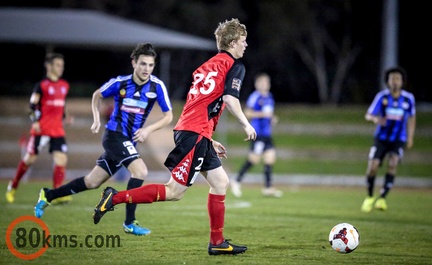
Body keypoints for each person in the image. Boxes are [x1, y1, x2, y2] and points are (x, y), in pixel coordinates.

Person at [92, 18, 256, 255]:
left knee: (220, 182)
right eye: (243, 41)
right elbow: (230, 99)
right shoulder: (234, 65)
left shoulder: (206, 66)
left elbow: (199, 103)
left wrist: (207, 138)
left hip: (191, 130)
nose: (246, 45)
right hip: (194, 132)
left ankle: (217, 243)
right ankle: (114, 198)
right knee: (174, 192)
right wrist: (246, 124)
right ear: (231, 43)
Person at [34, 43, 173, 236]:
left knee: (92, 182)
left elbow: (168, 116)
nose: (146, 69)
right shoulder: (120, 83)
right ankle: (129, 222)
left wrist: (148, 130)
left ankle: (48, 195)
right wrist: (97, 119)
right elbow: (96, 95)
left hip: (129, 141)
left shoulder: (157, 86)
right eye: (142, 64)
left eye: (150, 65)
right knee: (140, 171)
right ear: (134, 63)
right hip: (114, 136)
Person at [6, 52, 73, 204]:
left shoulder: (64, 86)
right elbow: (31, 107)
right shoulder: (41, 86)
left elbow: (62, 105)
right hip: (42, 129)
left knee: (61, 160)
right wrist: (35, 121)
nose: (61, 68)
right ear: (48, 66)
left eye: (62, 65)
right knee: (29, 160)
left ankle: (56, 194)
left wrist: (66, 116)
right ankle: (13, 185)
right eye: (57, 65)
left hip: (57, 130)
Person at [360, 66, 416, 213]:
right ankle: (370, 196)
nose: (395, 82)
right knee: (372, 167)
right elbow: (369, 114)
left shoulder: (408, 99)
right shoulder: (382, 97)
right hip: (381, 139)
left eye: (398, 78)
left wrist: (410, 137)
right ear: (388, 81)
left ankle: (382, 198)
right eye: (392, 79)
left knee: (393, 164)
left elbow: (412, 117)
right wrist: (375, 119)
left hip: (399, 139)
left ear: (402, 81)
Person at [230, 73, 282, 198]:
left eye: (267, 83)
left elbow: (268, 114)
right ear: (257, 84)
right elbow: (247, 112)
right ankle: (236, 180)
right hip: (257, 133)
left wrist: (272, 119)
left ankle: (268, 188)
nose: (265, 85)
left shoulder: (269, 97)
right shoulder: (255, 97)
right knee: (254, 159)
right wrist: (263, 115)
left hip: (267, 133)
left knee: (270, 157)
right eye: (262, 83)